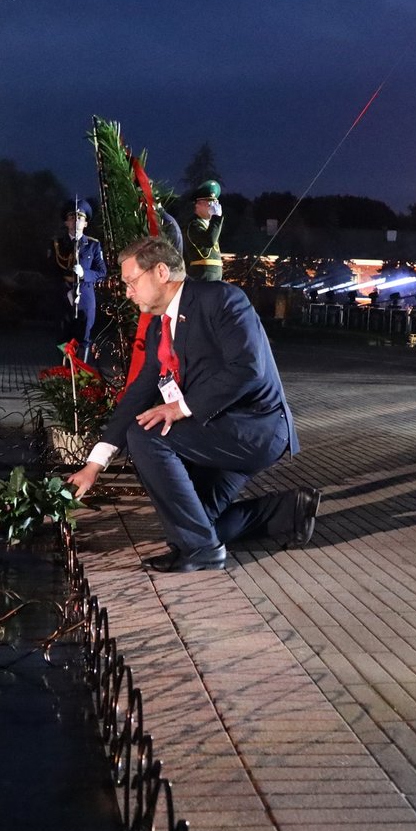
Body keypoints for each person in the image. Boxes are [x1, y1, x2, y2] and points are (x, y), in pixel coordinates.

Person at [66, 237, 319, 572]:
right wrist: (94, 465)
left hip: (255, 427)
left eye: (131, 282)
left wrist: (178, 409)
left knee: (146, 434)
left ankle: (203, 553)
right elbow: (139, 394)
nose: (128, 293)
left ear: (160, 271)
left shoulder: (222, 299)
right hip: (218, 432)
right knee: (195, 520)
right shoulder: (161, 325)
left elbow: (247, 368)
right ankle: (288, 511)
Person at [53, 200, 108, 360]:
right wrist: (66, 290)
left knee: (84, 338)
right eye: (72, 217)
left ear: (85, 223)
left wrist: (85, 273)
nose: (76, 221)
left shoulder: (93, 245)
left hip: (85, 297)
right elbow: (50, 271)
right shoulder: (58, 244)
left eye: (80, 218)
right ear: (66, 222)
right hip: (64, 297)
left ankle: (81, 379)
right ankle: (63, 378)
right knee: (63, 338)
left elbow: (102, 272)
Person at [184, 180, 225, 281]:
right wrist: (216, 218)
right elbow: (209, 241)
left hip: (214, 275)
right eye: (210, 203)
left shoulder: (209, 224)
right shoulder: (194, 225)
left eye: (215, 202)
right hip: (202, 275)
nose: (213, 206)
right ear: (198, 205)